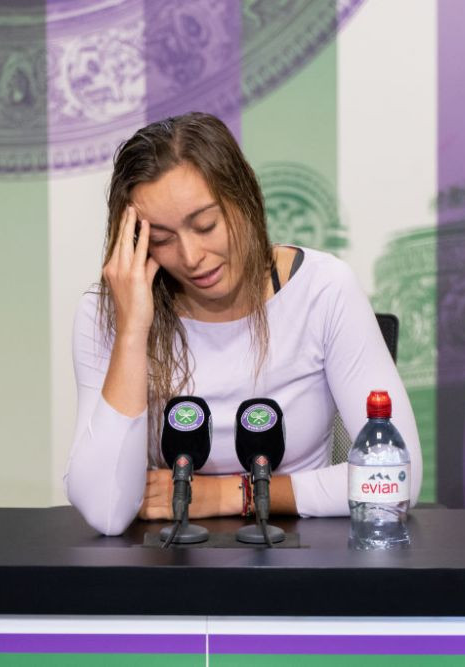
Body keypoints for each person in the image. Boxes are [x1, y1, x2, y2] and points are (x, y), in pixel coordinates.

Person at [65, 112, 422, 536]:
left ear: (245, 197)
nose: (192, 256)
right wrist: (131, 331)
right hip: (165, 576)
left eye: (206, 225)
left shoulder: (324, 289)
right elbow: (105, 512)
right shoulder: (110, 313)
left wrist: (231, 494)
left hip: (296, 567)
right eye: (162, 239)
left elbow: (399, 476)